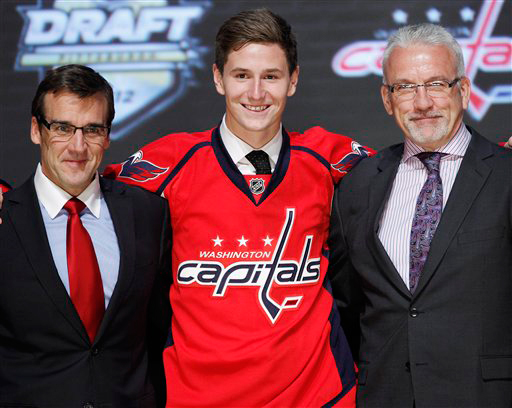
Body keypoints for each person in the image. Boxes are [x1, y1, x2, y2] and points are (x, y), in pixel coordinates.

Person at [104, 8, 371, 407]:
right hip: (197, 397)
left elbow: (412, 172)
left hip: (319, 397)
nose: (256, 93)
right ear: (218, 78)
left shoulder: (326, 155)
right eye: (242, 75)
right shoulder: (170, 161)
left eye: (271, 76)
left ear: (293, 80)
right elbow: (78, 184)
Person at [328, 23, 512, 407]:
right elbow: (349, 306)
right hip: (386, 395)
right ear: (387, 98)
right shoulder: (358, 185)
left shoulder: (505, 174)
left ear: (463, 90)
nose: (423, 102)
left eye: (436, 84)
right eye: (406, 87)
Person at [0, 64, 172, 407]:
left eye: (92, 129)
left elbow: (161, 331)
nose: (77, 146)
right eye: (62, 128)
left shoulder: (148, 213)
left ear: (107, 136)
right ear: (36, 130)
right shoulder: (6, 218)